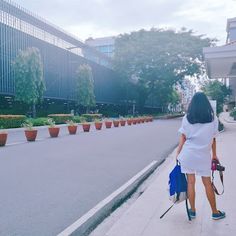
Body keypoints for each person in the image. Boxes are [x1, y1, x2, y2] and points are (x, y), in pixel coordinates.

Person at [176, 92, 226, 220]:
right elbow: (213, 138)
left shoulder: (187, 118)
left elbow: (183, 137)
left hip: (188, 155)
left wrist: (178, 153)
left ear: (192, 104)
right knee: (207, 184)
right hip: (203, 156)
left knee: (191, 183)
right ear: (206, 104)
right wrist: (214, 155)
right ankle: (215, 212)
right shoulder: (212, 118)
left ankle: (192, 211)